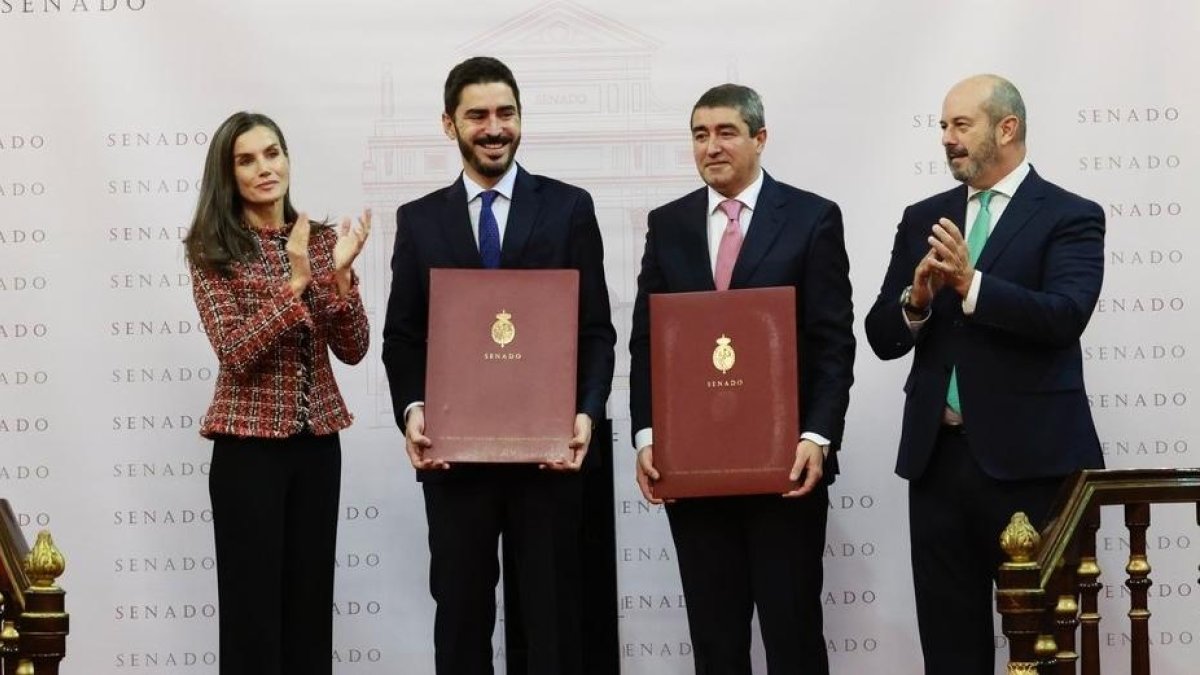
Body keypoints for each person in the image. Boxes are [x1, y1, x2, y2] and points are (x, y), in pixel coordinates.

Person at [380, 56, 616, 675]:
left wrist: (587, 412)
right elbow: (402, 338)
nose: (493, 127)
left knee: (554, 623)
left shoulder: (569, 208)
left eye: (505, 113)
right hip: (456, 458)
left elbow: (595, 330)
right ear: (449, 124)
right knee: (460, 622)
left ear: (520, 119)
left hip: (549, 456)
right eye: (477, 115)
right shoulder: (419, 219)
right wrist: (412, 410)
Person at [864, 74, 1105, 675]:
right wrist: (915, 303)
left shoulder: (1070, 216)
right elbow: (880, 336)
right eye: (942, 126)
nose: (946, 138)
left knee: (1043, 642)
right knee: (949, 645)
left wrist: (973, 286)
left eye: (960, 125)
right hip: (937, 462)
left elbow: (1065, 316)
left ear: (1007, 128)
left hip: (1032, 467)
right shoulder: (926, 215)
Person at [629, 83, 855, 675]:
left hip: (786, 468)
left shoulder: (812, 218)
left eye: (725, 132)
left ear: (760, 138)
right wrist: (648, 436)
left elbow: (833, 342)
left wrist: (818, 435)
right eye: (700, 135)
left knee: (793, 636)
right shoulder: (669, 224)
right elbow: (648, 341)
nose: (711, 147)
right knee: (715, 640)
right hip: (695, 469)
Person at [184, 111, 371, 675]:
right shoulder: (212, 249)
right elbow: (235, 350)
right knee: (252, 619)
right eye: (247, 159)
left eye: (272, 153)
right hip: (248, 452)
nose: (265, 168)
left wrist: (337, 278)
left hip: (317, 446)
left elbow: (355, 348)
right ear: (228, 173)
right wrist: (294, 285)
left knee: (310, 609)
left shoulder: (319, 240)